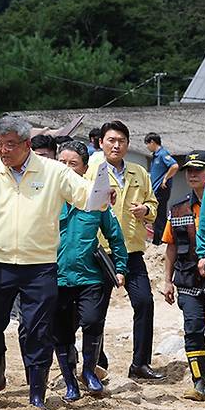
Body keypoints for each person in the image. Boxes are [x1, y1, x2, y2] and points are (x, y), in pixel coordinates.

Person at [0, 116, 94, 409]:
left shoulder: (53, 171)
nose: (4, 150)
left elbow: (85, 194)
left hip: (40, 266)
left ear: (26, 144)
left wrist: (103, 194)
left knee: (37, 329)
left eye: (10, 145)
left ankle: (37, 391)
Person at [87, 121, 162, 380]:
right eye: (111, 140)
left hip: (131, 250)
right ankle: (98, 362)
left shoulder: (139, 172)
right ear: (101, 143)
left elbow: (153, 205)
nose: (116, 145)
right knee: (97, 310)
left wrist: (146, 210)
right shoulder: (91, 171)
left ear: (128, 144)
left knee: (144, 302)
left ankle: (140, 364)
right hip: (100, 250)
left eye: (121, 140)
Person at [54, 141, 128, 401]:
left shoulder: (97, 199)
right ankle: (70, 381)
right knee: (61, 331)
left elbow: (115, 236)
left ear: (84, 169)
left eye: (72, 163)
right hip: (57, 277)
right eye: (61, 163)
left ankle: (89, 371)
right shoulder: (46, 198)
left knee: (93, 322)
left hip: (91, 277)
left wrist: (120, 268)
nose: (65, 168)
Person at [164, 151, 205, 400]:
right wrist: (166, 281)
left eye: (199, 169)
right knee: (193, 329)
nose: (193, 174)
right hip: (187, 280)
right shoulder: (178, 208)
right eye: (189, 170)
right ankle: (199, 382)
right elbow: (170, 246)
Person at [145, 133, 179, 245]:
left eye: (147, 144)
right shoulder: (155, 156)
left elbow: (174, 166)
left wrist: (165, 178)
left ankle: (161, 240)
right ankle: (158, 239)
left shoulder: (163, 154)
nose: (147, 147)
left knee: (159, 215)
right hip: (155, 190)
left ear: (152, 142)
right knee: (156, 215)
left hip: (161, 189)